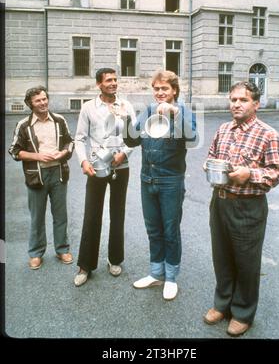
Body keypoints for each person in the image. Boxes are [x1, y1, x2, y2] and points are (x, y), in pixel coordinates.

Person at [203, 81, 279, 337]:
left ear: (256, 104)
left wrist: (249, 173)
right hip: (220, 202)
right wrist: (209, 167)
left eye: (243, 100)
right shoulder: (223, 129)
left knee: (247, 263)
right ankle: (222, 303)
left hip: (248, 206)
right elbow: (211, 156)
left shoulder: (267, 134)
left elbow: (277, 172)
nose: (236, 104)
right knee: (222, 257)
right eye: (233, 99)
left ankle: (242, 312)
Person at [123, 70, 197, 300]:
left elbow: (192, 139)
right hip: (148, 180)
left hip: (171, 182)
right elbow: (132, 140)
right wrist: (124, 118)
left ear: (174, 90)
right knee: (153, 229)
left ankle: (171, 277)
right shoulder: (147, 110)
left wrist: (175, 114)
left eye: (164, 88)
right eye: (156, 88)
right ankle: (156, 273)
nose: (160, 92)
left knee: (170, 231)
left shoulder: (184, 110)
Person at [73, 67, 136, 287]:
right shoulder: (88, 108)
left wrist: (123, 154)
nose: (113, 83)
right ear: (99, 84)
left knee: (117, 213)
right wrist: (83, 161)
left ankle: (115, 259)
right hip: (96, 167)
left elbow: (133, 136)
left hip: (121, 165)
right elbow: (79, 139)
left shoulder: (126, 105)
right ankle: (85, 266)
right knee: (92, 214)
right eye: (108, 80)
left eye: (115, 80)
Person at [9, 86, 74, 270]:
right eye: (38, 100)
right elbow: (13, 151)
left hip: (59, 173)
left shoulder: (59, 120)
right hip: (36, 176)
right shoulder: (24, 125)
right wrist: (36, 156)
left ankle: (62, 249)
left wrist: (63, 153)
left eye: (45, 99)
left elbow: (70, 142)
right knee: (37, 216)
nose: (43, 103)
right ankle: (36, 253)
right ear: (30, 104)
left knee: (60, 215)